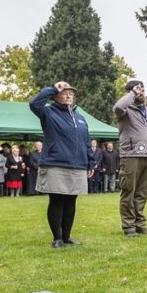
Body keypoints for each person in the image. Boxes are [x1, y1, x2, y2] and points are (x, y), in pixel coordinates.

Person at [29, 82, 97, 247]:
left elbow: (86, 142)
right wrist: (53, 88)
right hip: (56, 163)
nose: (68, 95)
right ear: (56, 95)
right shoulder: (48, 112)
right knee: (57, 200)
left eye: (71, 93)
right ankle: (57, 238)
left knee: (71, 201)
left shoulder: (80, 118)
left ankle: (67, 237)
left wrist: (90, 163)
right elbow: (33, 103)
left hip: (78, 165)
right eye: (64, 92)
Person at [113, 79, 147, 237]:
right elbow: (117, 107)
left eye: (142, 89)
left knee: (142, 192)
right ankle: (129, 226)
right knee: (128, 191)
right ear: (130, 93)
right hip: (130, 155)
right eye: (137, 90)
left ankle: (140, 224)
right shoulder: (125, 110)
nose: (141, 92)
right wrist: (132, 93)